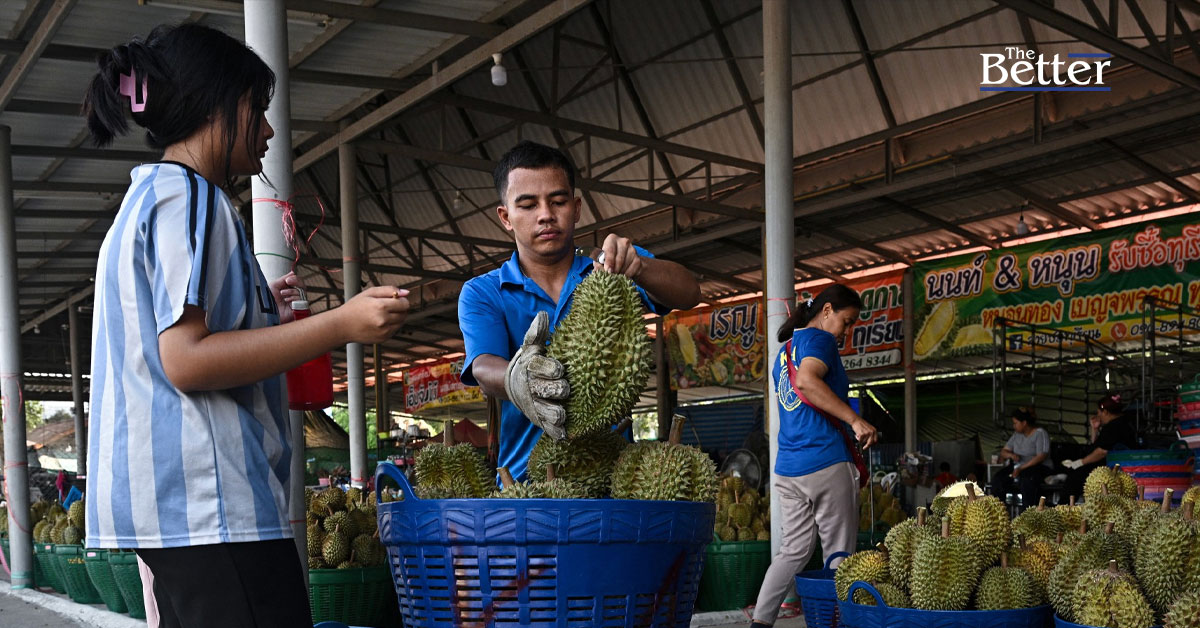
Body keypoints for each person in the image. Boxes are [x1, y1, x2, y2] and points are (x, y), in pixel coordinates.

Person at [82, 24, 409, 628]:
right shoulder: (192, 199)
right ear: (220, 106)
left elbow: (172, 341)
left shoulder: (146, 200)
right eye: (257, 110)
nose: (267, 131)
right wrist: (342, 322)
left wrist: (263, 316)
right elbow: (187, 360)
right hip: (212, 507)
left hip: (170, 511)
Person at [457, 141, 701, 481]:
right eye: (528, 205)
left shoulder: (610, 271)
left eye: (558, 201)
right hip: (526, 483)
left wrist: (640, 267)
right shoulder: (483, 291)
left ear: (576, 208)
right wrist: (518, 378)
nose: (546, 214)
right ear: (506, 217)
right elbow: (483, 366)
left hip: (613, 481)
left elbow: (689, 292)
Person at [750, 285, 878, 628]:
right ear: (827, 310)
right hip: (825, 462)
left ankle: (760, 622)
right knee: (839, 554)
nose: (846, 332)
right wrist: (855, 420)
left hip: (788, 469)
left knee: (792, 553)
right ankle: (837, 622)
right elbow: (807, 381)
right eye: (846, 321)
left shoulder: (784, 352)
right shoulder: (821, 341)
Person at [1061, 394, 1138, 499]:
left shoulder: (1114, 426)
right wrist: (1095, 430)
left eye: (1099, 413)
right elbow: (1096, 447)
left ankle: (1064, 504)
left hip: (1111, 469)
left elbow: (1101, 452)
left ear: (1105, 412)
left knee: (1076, 477)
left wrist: (1080, 463)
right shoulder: (1122, 423)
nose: (1098, 417)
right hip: (1110, 468)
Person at [992, 407, 1052, 508]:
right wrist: (1011, 455)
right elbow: (1004, 452)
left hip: (1038, 467)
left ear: (1024, 423)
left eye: (1015, 423)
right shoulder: (1016, 435)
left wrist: (1021, 468)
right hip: (1018, 467)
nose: (1014, 426)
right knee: (998, 479)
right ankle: (999, 509)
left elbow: (1041, 456)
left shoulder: (1040, 433)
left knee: (1027, 481)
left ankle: (1028, 512)